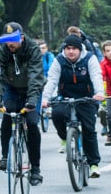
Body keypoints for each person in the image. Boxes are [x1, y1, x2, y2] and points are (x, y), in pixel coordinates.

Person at [42, 34, 105, 178]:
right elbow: (52, 80)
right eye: (68, 48)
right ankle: (64, 138)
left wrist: (99, 93)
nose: (71, 51)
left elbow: (96, 76)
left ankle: (94, 164)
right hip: (65, 97)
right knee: (57, 115)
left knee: (89, 129)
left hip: (87, 98)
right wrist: (45, 99)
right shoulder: (59, 60)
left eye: (74, 49)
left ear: (80, 49)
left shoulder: (89, 58)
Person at [0, 22, 45, 185]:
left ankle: (35, 169)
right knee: (8, 112)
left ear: (21, 37)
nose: (10, 44)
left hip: (31, 89)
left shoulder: (32, 49)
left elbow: (36, 75)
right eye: (6, 40)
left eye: (13, 40)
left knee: (32, 123)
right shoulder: (3, 51)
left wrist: (33, 99)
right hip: (12, 88)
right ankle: (5, 156)